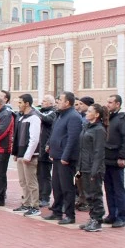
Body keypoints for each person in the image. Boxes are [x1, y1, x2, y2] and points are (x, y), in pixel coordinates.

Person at [43, 91, 82, 225]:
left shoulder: (73, 117)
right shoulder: (59, 115)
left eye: (60, 99)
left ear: (67, 103)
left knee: (67, 187)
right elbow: (54, 133)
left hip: (65, 158)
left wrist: (66, 156)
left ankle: (70, 215)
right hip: (56, 155)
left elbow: (72, 139)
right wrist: (49, 145)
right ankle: (57, 211)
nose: (57, 101)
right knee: (57, 186)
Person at [103, 94, 125, 228]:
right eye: (107, 102)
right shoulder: (108, 118)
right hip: (106, 158)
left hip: (116, 159)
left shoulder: (123, 119)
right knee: (108, 189)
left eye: (111, 102)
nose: (108, 104)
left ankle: (121, 217)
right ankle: (112, 214)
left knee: (118, 189)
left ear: (118, 104)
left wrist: (122, 156)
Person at [78, 103, 108, 232]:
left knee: (95, 194)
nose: (86, 113)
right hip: (84, 166)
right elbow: (82, 149)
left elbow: (99, 152)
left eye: (89, 111)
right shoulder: (87, 127)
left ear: (96, 115)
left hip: (93, 168)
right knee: (88, 194)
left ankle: (97, 219)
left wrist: (94, 171)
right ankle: (92, 218)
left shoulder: (99, 130)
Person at [12, 94, 42, 216]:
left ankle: (35, 206)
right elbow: (17, 137)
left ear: (27, 103)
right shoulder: (22, 118)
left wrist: (28, 155)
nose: (18, 105)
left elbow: (34, 139)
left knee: (31, 182)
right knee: (23, 181)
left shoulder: (34, 118)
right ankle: (26, 203)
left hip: (29, 155)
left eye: (20, 103)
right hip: (20, 153)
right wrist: (16, 153)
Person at [33, 94, 56, 208]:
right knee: (38, 173)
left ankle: (45, 197)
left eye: (45, 101)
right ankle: (39, 194)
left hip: (46, 149)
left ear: (51, 103)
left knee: (45, 174)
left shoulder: (53, 112)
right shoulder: (41, 111)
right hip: (38, 147)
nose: (42, 102)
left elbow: (46, 119)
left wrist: (35, 111)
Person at [74, 96, 95, 212]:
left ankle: (87, 201)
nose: (79, 106)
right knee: (77, 178)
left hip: (87, 156)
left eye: (81, 104)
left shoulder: (90, 120)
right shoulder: (81, 116)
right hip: (79, 154)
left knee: (86, 180)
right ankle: (81, 198)